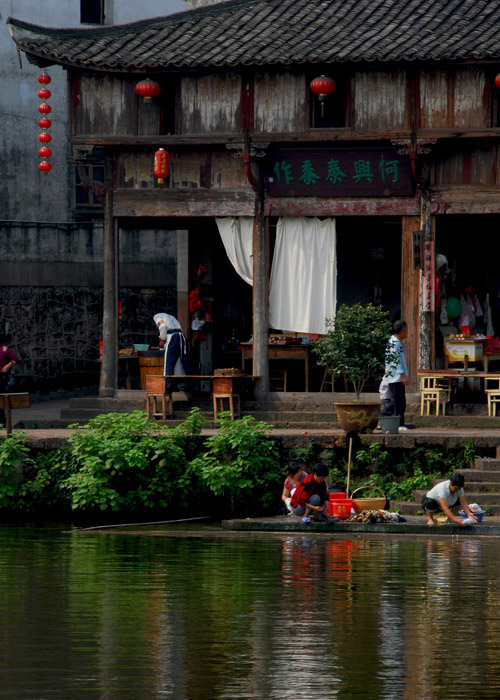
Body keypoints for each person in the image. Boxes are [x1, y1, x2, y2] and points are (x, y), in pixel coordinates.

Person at [383, 319, 409, 432]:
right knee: (399, 402)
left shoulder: (396, 342)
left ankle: (397, 422)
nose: (407, 332)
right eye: (406, 330)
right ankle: (397, 423)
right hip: (395, 377)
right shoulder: (394, 343)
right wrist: (402, 375)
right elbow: (396, 361)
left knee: (400, 401)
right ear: (402, 331)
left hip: (396, 377)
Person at [153, 313, 190, 390]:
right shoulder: (171, 317)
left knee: (169, 360)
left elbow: (163, 326)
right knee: (184, 361)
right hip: (181, 337)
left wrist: (162, 339)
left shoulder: (156, 316)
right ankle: (189, 384)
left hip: (173, 337)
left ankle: (168, 384)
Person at [0, 334, 19, 427]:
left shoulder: (4, 349)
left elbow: (15, 359)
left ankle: (2, 422)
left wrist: (7, 366)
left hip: (2, 377)